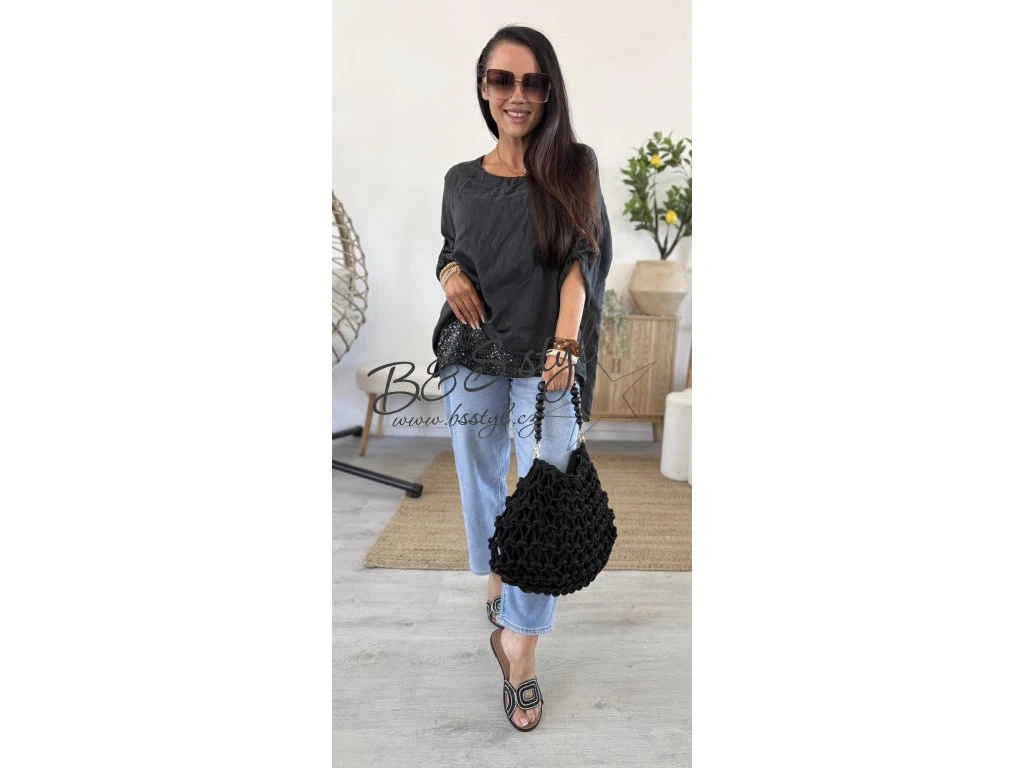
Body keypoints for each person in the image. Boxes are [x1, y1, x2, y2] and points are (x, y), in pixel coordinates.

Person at [430, 25, 613, 732]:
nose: (518, 94)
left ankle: (521, 644)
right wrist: (448, 271)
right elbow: (453, 247)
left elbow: (581, 259)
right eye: (502, 79)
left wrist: (565, 344)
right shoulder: (460, 179)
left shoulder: (574, 166)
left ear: (550, 91)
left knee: (550, 489)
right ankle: (497, 574)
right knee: (480, 479)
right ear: (483, 88)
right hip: (472, 353)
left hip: (549, 358)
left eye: (533, 81)